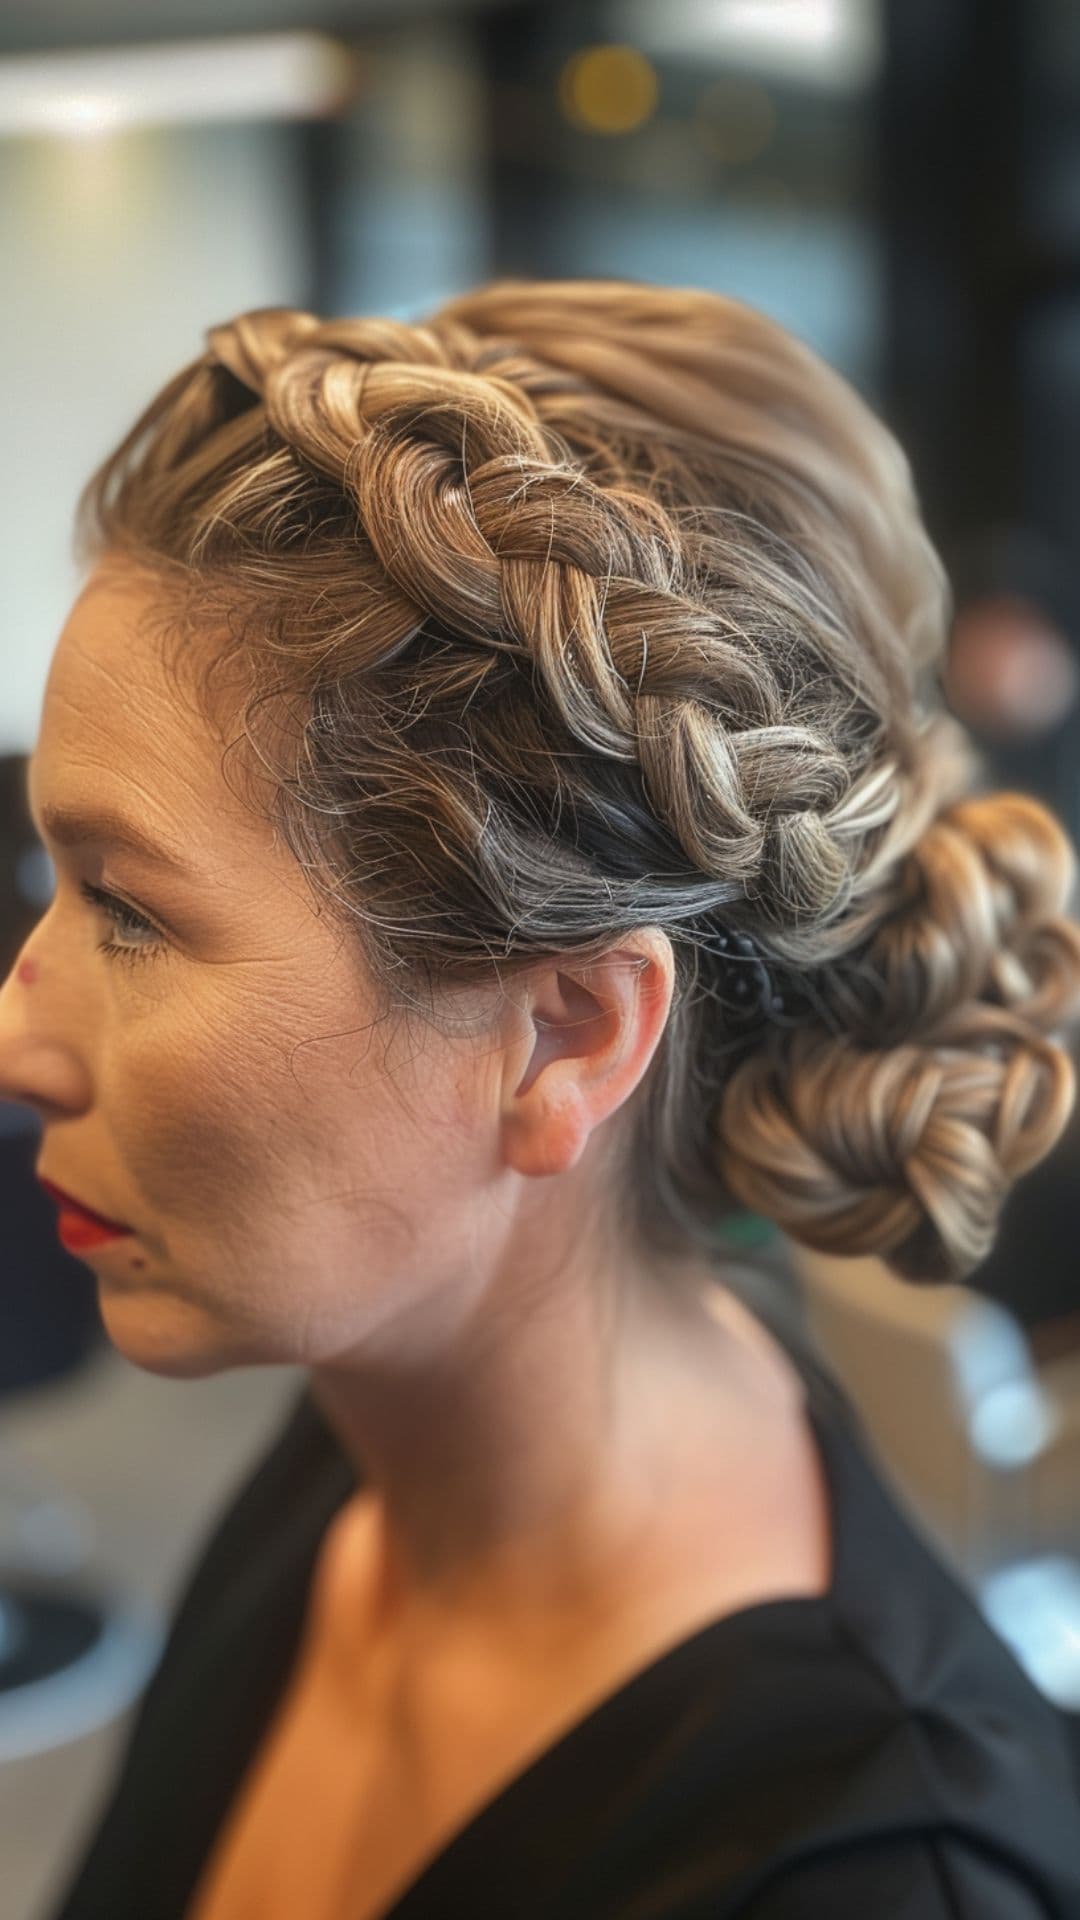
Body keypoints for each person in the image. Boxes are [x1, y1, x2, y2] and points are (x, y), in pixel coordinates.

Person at [2, 278, 1080, 1918]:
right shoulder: (365, 1449)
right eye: (49, 882)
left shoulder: (873, 1877)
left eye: (132, 910)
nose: (18, 1039)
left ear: (568, 1034)